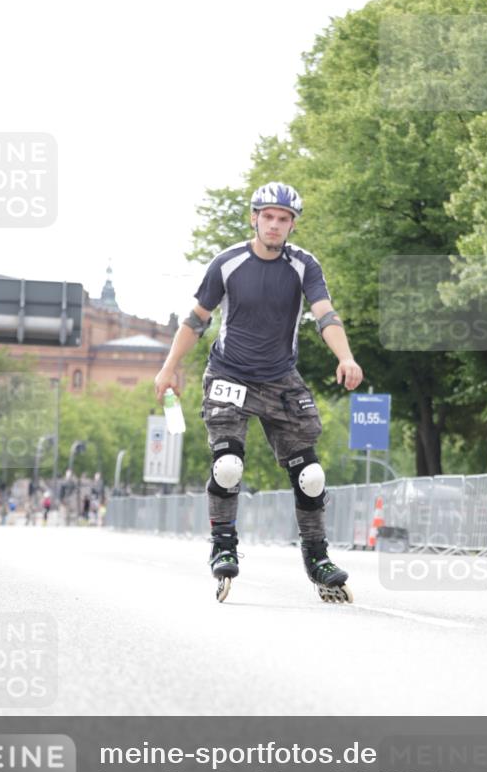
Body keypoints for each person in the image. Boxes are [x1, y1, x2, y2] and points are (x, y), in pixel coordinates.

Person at [154, 181, 364, 601]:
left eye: (283, 219)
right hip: (229, 375)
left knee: (311, 476)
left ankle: (318, 557)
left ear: (292, 224)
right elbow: (197, 319)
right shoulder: (227, 263)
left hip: (280, 379)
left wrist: (346, 357)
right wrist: (169, 367)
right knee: (228, 465)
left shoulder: (304, 265)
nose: (274, 225)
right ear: (254, 218)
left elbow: (325, 314)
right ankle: (223, 545)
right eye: (267, 217)